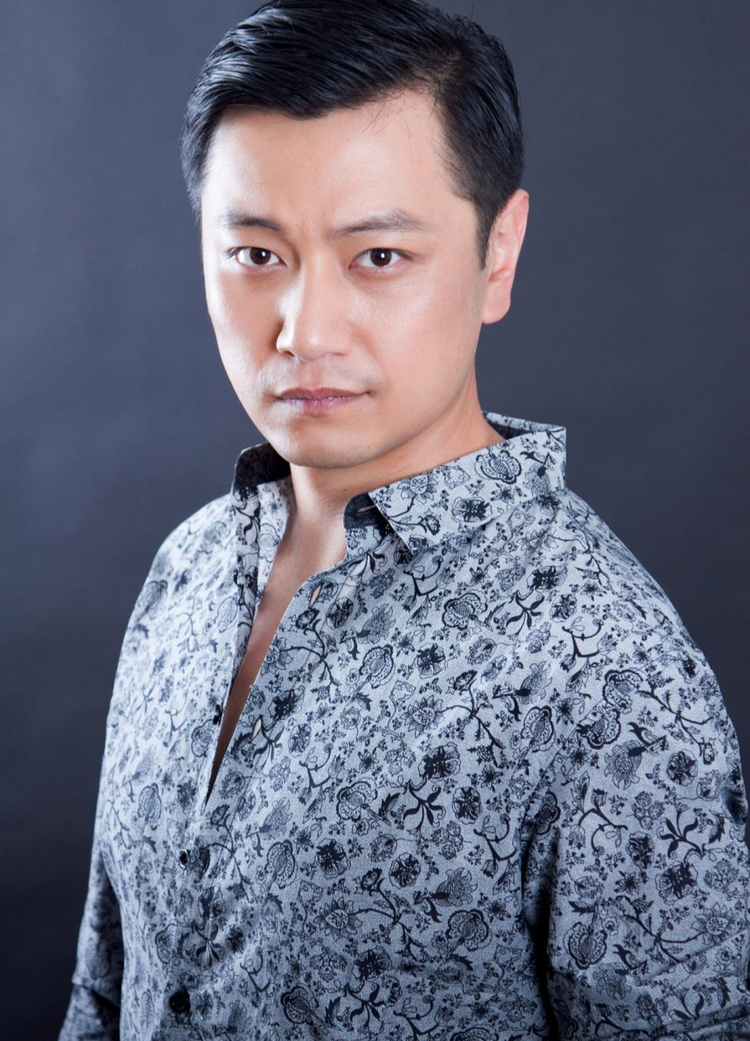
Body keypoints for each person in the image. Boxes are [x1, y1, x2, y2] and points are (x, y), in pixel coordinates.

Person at [58, 1, 750, 1038]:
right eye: (256, 255)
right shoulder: (188, 567)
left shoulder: (611, 678)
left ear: (497, 254)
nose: (304, 331)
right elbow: (105, 994)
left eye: (378, 257)